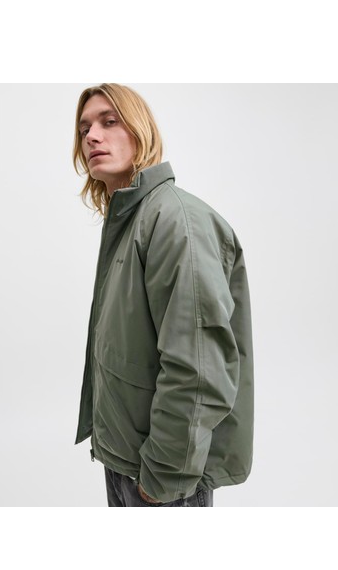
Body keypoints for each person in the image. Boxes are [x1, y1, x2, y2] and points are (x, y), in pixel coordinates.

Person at [72, 83, 254, 507]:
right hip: (126, 461)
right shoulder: (131, 220)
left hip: (163, 478)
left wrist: (161, 478)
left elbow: (198, 369)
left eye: (109, 121)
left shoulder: (175, 222)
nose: (92, 136)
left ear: (141, 130)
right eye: (84, 129)